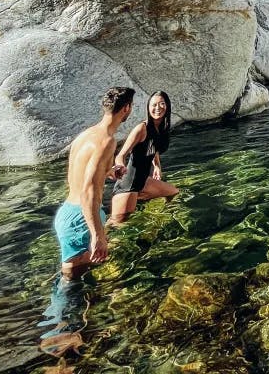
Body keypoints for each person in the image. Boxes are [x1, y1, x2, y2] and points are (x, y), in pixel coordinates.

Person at [52, 86, 135, 279]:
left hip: (67, 212)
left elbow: (75, 177)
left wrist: (107, 172)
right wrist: (98, 235)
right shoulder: (107, 141)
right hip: (81, 218)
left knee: (73, 279)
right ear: (127, 108)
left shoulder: (86, 135)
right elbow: (88, 191)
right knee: (75, 288)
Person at [109, 91, 180, 224]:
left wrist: (157, 166)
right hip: (129, 184)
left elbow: (153, 148)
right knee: (117, 226)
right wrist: (120, 167)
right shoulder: (142, 128)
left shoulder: (161, 128)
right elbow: (121, 155)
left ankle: (159, 221)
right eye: (154, 105)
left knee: (173, 192)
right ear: (148, 107)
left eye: (162, 104)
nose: (158, 108)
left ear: (167, 106)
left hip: (143, 180)